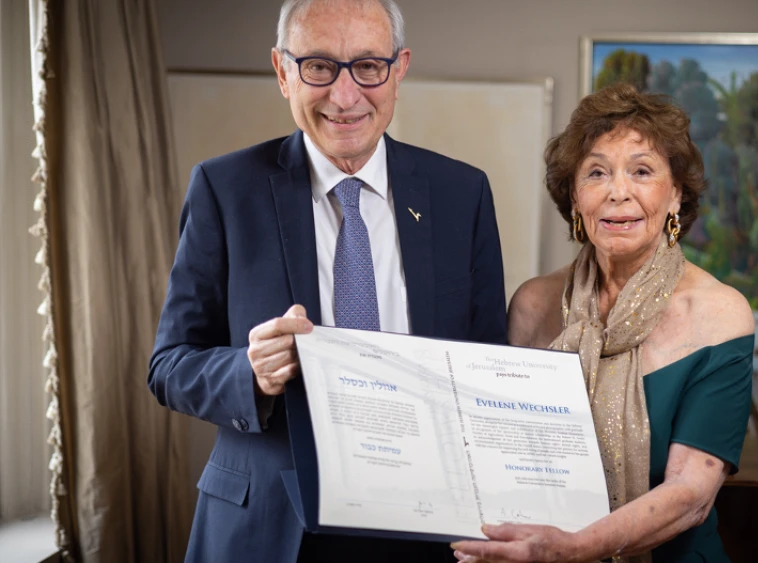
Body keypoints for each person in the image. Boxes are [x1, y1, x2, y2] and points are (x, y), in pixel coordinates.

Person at [147, 0, 506, 561]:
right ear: (282, 71)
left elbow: (488, 366)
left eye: (368, 66)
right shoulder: (224, 189)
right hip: (267, 528)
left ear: (399, 69)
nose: (344, 95)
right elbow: (169, 366)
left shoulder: (463, 194)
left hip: (424, 527)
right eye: (318, 66)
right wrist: (249, 371)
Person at [452, 83, 755, 563]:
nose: (618, 192)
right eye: (596, 172)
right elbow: (499, 450)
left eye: (642, 171)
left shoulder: (720, 314)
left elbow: (691, 496)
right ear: (575, 198)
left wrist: (574, 549)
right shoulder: (532, 305)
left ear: (676, 195)